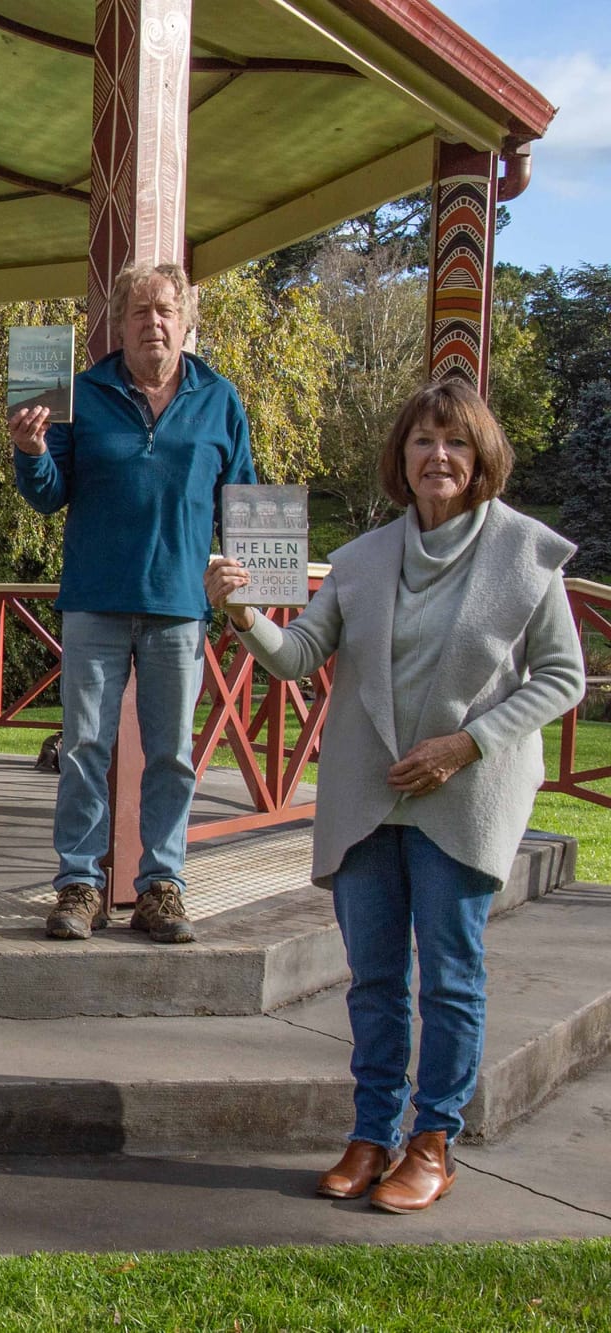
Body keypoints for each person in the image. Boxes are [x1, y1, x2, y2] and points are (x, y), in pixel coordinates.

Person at [208, 380, 583, 1213]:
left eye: (454, 442)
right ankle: (372, 1132)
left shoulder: (526, 553)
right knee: (374, 978)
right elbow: (301, 655)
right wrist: (241, 615)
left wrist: (466, 744)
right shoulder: (365, 557)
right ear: (401, 458)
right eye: (421, 441)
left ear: (480, 456)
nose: (437, 456)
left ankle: (433, 1139)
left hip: (464, 793)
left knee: (450, 976)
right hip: (368, 794)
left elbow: (563, 676)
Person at [11, 262, 256, 944]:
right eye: (140, 311)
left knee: (173, 751)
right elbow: (46, 492)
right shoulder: (79, 395)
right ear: (118, 324)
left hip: (179, 606)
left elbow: (243, 501)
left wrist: (248, 578)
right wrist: (31, 450)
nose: (153, 322)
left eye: (165, 310)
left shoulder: (219, 399)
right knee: (85, 746)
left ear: (187, 321)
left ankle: (162, 885)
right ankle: (80, 883)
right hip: (95, 599)